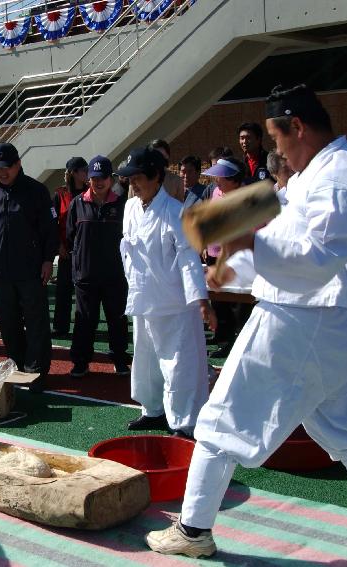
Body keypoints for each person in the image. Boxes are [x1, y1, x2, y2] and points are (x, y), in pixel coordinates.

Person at [145, 84, 347, 564]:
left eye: (275, 136)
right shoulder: (320, 173)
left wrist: (240, 244)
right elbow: (276, 225)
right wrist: (224, 256)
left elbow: (318, 257)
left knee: (220, 422)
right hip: (325, 326)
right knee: (346, 434)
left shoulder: (341, 176)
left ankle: (193, 529)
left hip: (297, 321)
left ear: (298, 128)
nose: (275, 148)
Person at [117, 147, 215, 438]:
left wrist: (201, 300)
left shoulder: (177, 212)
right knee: (146, 362)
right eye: (130, 179)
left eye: (138, 179)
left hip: (174, 302)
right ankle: (153, 410)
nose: (133, 185)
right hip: (143, 296)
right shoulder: (131, 208)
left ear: (156, 177)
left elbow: (188, 259)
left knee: (179, 365)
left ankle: (184, 422)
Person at [0, 142, 58, 383]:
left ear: (18, 164)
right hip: (0, 272)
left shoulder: (36, 190)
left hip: (30, 270)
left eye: (6, 167)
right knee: (7, 323)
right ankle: (17, 368)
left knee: (35, 322)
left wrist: (48, 260)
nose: (2, 172)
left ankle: (36, 372)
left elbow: (50, 230)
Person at [66, 156, 130, 377]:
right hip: (86, 275)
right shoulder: (77, 203)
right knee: (84, 322)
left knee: (117, 320)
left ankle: (120, 359)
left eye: (103, 177)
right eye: (94, 178)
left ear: (110, 179)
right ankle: (81, 361)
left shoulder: (122, 204)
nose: (99, 182)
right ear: (89, 180)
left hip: (115, 275)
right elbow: (70, 235)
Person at [200, 156, 253, 358]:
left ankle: (237, 343)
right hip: (215, 255)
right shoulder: (215, 193)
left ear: (234, 179)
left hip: (237, 258)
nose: (217, 181)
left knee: (239, 304)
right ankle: (223, 337)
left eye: (221, 177)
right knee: (219, 302)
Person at [52, 157, 88, 337]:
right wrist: (59, 245)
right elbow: (52, 222)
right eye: (83, 170)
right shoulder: (60, 194)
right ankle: (60, 327)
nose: (87, 173)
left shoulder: (91, 192)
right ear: (74, 172)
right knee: (63, 291)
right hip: (66, 251)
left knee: (87, 292)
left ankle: (86, 326)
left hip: (86, 252)